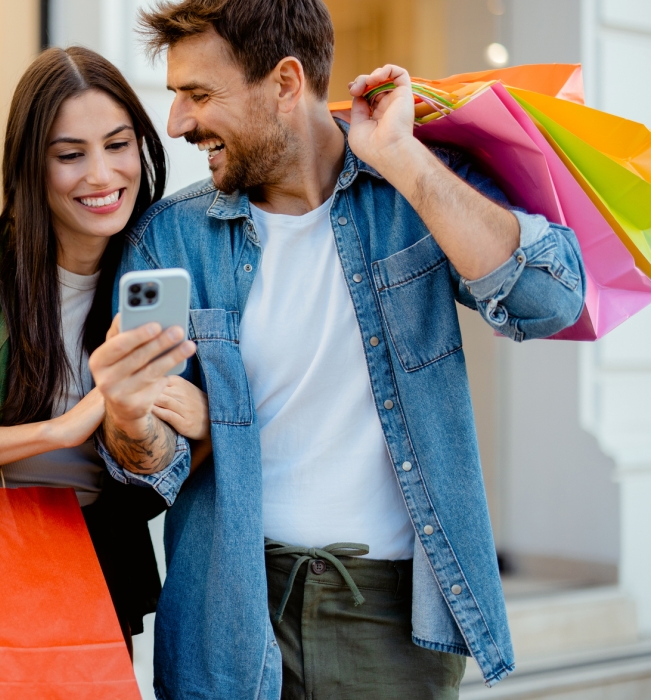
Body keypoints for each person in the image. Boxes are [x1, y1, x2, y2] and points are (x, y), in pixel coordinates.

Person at [88, 1, 586, 698]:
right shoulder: (172, 238)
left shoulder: (411, 191)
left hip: (391, 620)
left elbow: (551, 302)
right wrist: (129, 418)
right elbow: (155, 473)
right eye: (176, 97)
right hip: (230, 616)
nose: (178, 123)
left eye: (198, 94)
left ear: (286, 84)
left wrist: (406, 161)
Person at [0, 46, 208, 648]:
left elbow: (168, 479)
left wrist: (200, 428)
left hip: (94, 576)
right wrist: (56, 432)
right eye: (70, 156)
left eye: (118, 145)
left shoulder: (162, 271)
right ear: (31, 166)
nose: (101, 176)